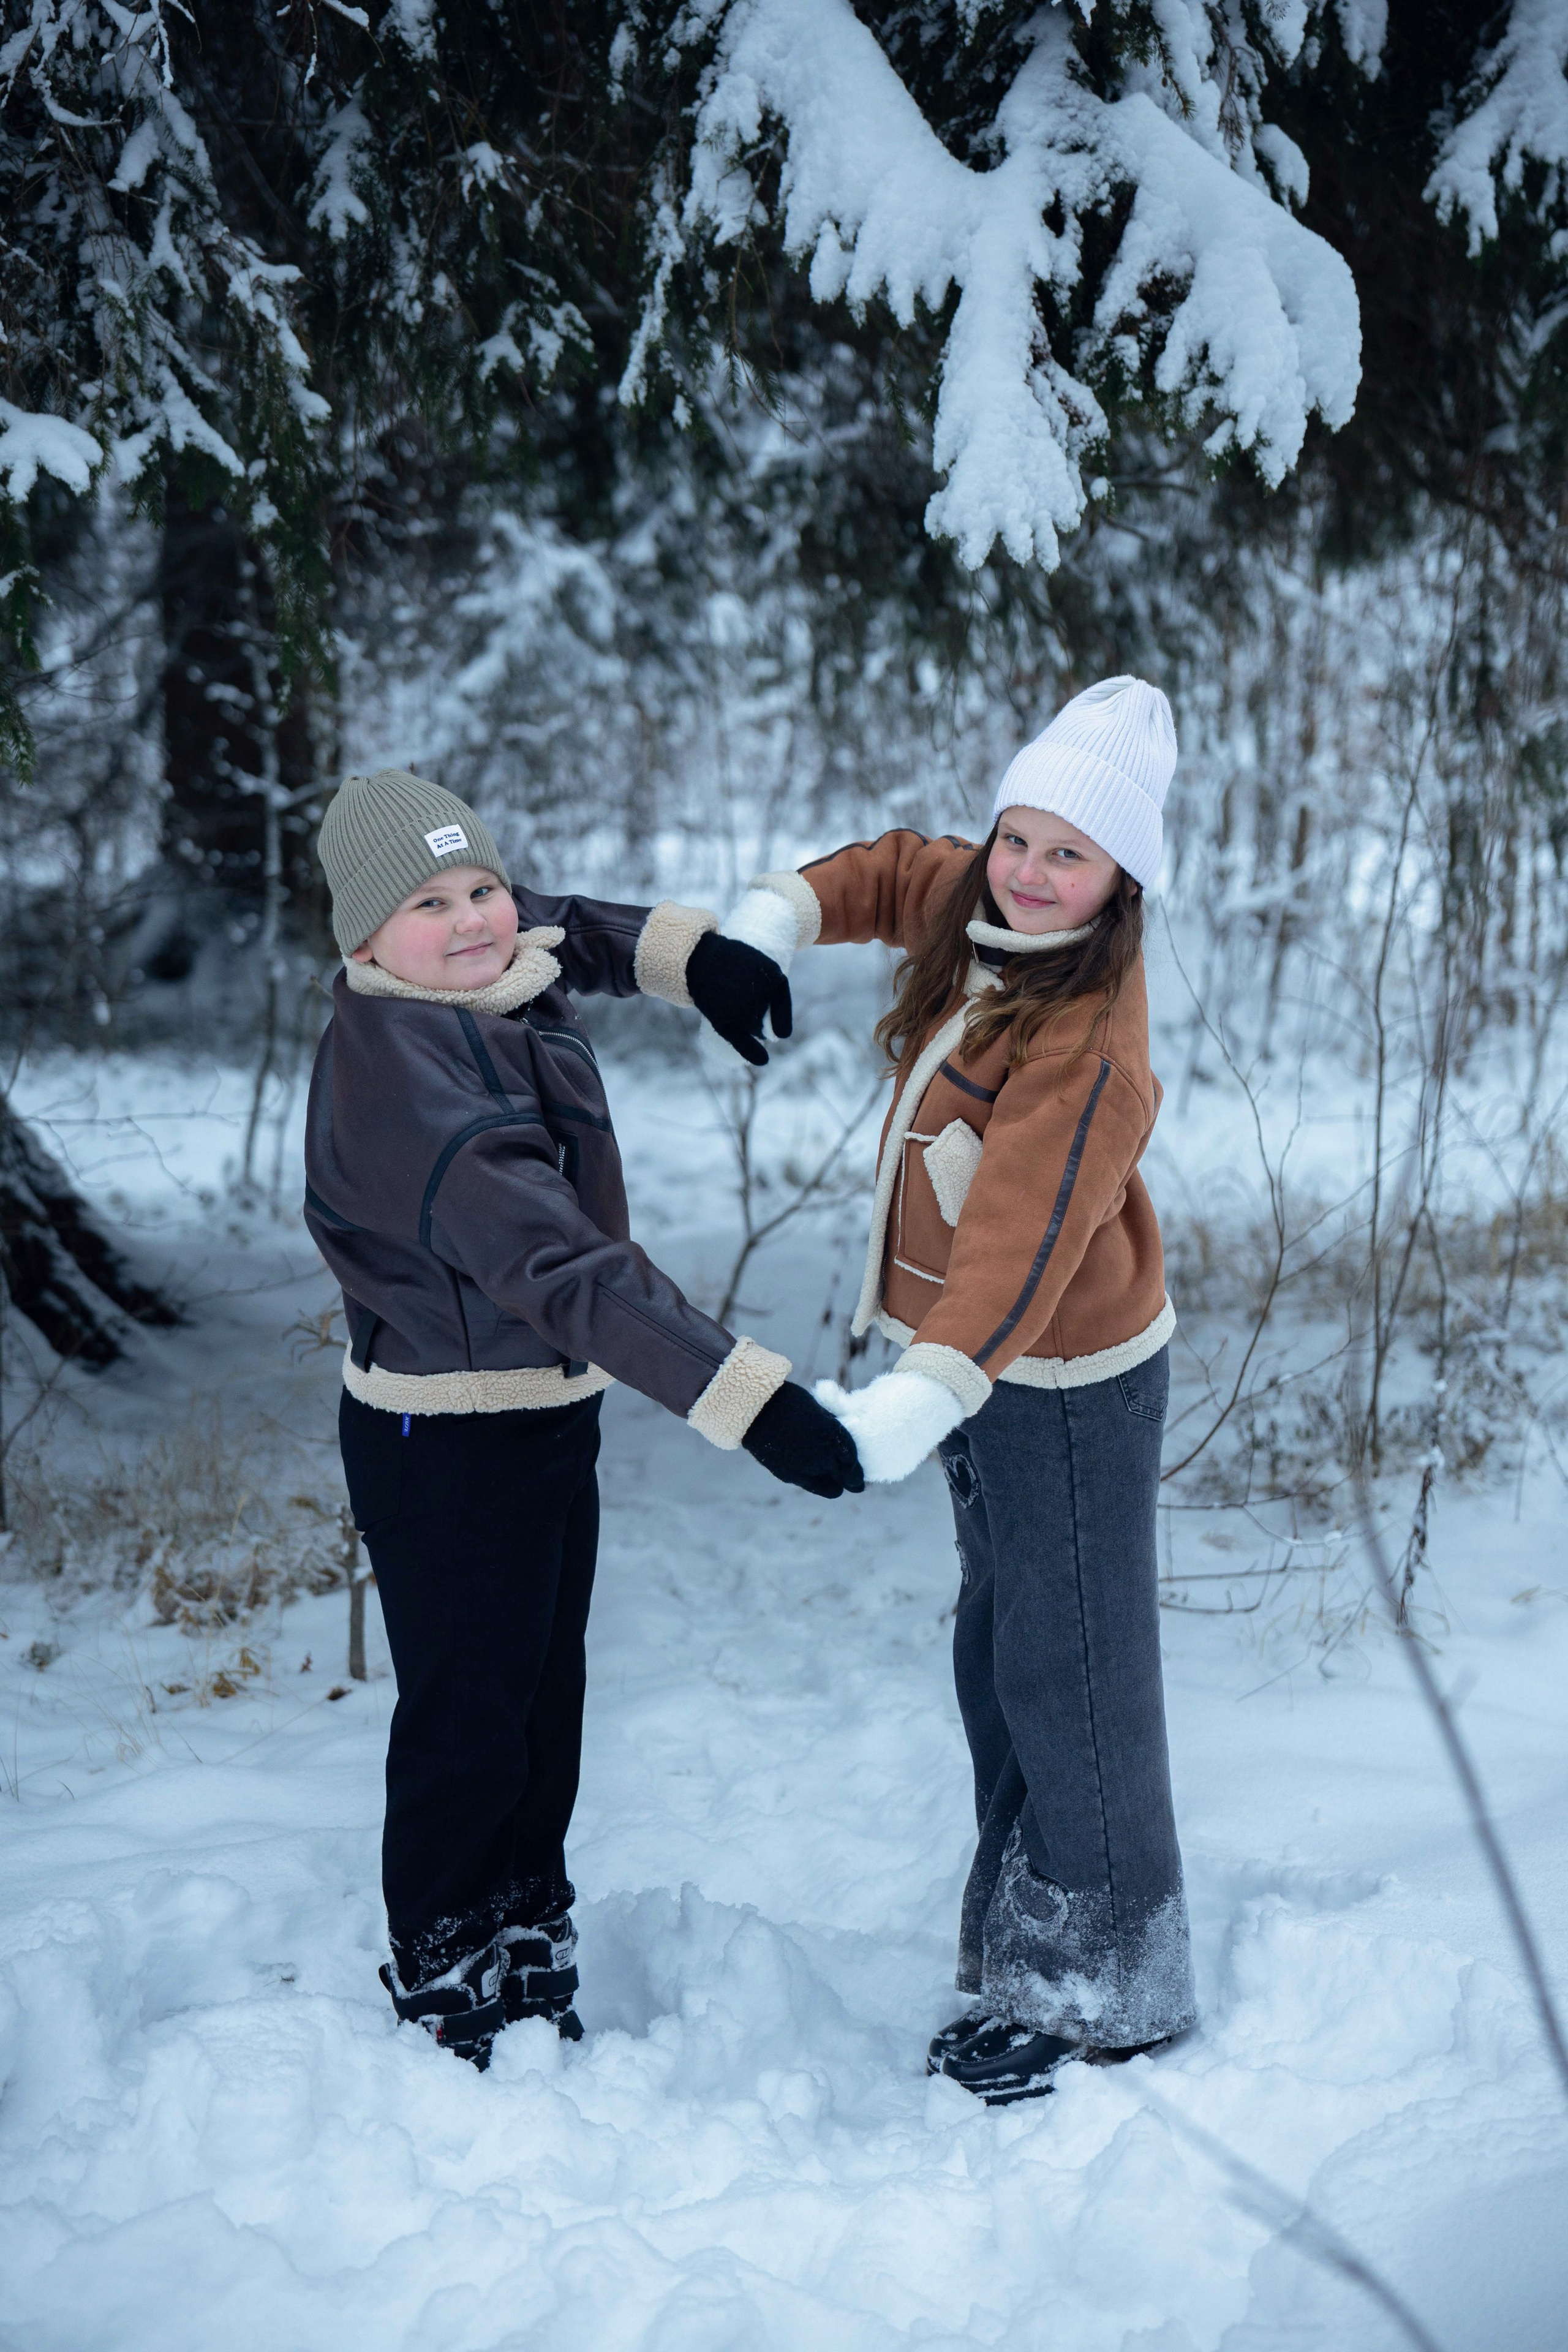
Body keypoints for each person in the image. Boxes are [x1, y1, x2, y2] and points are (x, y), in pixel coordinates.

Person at [305, 768, 860, 2068]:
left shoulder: (466, 962)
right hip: (440, 1437)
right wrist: (749, 1397)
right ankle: (446, 1952)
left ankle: (524, 1919)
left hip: (538, 1411)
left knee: (544, 1688)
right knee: (467, 1709)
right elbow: (567, 1271)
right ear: (362, 941)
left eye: (480, 884)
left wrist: (696, 960)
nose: (475, 918)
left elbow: (561, 923)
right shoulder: (408, 1086)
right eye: (430, 901)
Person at [717, 677, 1196, 2103]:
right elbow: (887, 868)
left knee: (1075, 1676)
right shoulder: (986, 911)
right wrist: (767, 924)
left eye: (1072, 856)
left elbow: (1022, 1234)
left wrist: (915, 1396)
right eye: (1019, 838)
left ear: (1121, 883)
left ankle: (1108, 1987)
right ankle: (1028, 1934)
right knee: (1004, 1654)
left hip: (1052, 1380)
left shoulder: (1087, 1040)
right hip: (983, 1380)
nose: (1033, 873)